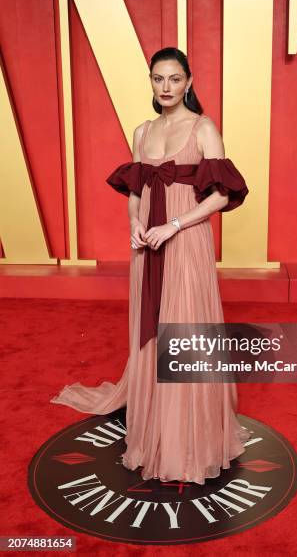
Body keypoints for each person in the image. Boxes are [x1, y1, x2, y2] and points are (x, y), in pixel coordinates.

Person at [50, 46, 251, 485]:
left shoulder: (203, 128)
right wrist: (136, 225)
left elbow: (221, 195)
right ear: (151, 82)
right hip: (148, 245)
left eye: (174, 79)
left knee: (182, 328)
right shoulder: (142, 132)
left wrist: (174, 224)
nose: (166, 87)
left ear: (189, 82)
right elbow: (137, 191)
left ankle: (187, 439)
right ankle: (154, 424)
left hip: (186, 240)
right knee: (151, 329)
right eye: (158, 79)